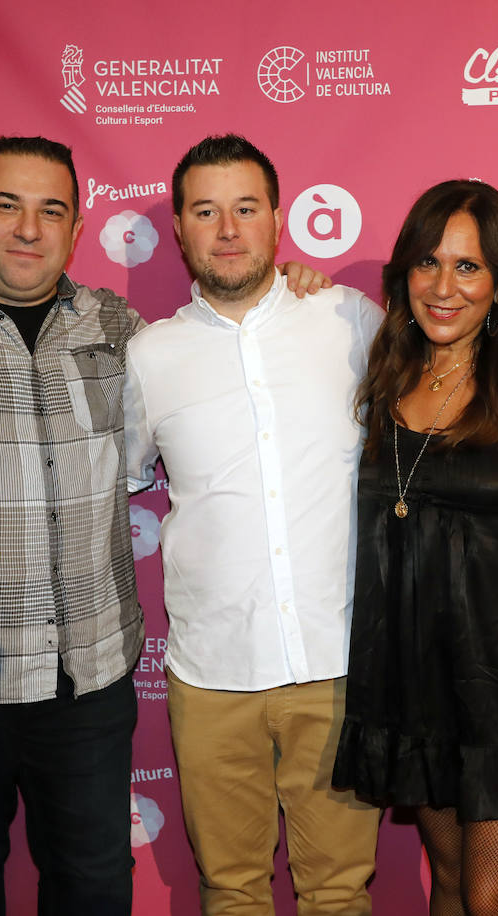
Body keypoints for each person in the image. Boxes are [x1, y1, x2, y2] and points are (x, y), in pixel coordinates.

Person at [0, 135, 329, 915]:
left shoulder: (117, 327)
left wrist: (296, 288)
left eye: (52, 211)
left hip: (87, 681)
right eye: (7, 206)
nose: (28, 229)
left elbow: (167, 442)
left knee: (95, 890)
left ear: (77, 230)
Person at [124, 134, 384, 915]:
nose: (228, 229)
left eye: (246, 208)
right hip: (212, 677)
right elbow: (131, 473)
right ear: (179, 229)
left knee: (339, 894)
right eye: (207, 211)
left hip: (336, 664)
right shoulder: (149, 356)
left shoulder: (351, 319)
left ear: (278, 218)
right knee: (230, 892)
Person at [332, 180, 498, 915]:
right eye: (427, 263)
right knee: (448, 885)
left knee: (492, 898)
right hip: (419, 685)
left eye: (468, 267)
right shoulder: (383, 379)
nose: (443, 287)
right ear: (403, 277)